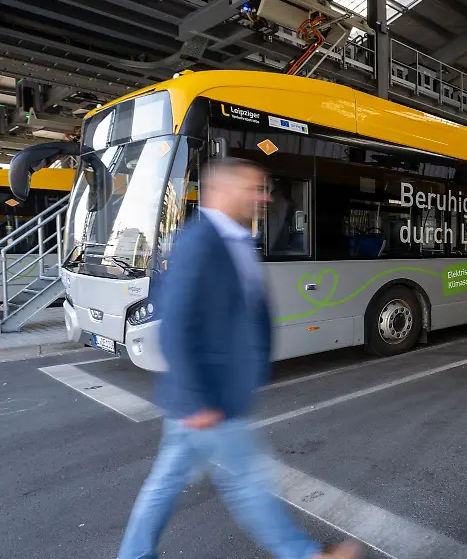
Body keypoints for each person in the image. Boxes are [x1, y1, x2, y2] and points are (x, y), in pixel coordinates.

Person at [118, 158, 361, 559]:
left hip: (213, 392)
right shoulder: (200, 241)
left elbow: (249, 308)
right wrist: (198, 399)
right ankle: (304, 554)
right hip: (206, 395)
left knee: (168, 480)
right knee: (247, 480)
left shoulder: (236, 239)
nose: (264, 197)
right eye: (254, 188)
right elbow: (176, 324)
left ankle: (135, 554)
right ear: (223, 190)